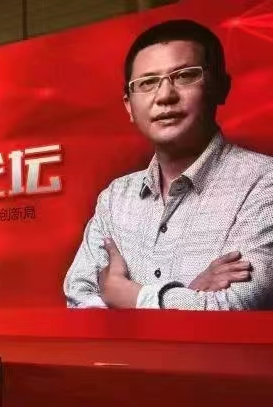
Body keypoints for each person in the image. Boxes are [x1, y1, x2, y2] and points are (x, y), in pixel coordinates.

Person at [63, 19, 273, 310]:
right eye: (147, 83)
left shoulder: (263, 181)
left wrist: (133, 297)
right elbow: (79, 297)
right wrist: (188, 293)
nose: (164, 96)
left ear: (221, 88)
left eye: (185, 76)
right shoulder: (115, 198)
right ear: (129, 106)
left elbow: (238, 303)